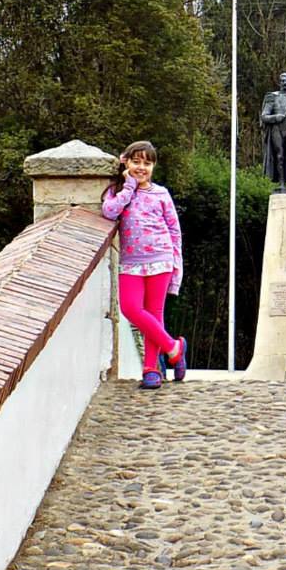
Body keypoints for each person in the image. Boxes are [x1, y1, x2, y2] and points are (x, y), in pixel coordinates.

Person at [102, 141, 187, 390]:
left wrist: (176, 266)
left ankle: (152, 368)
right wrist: (128, 187)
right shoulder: (117, 191)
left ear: (154, 166)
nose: (142, 167)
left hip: (161, 259)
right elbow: (109, 212)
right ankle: (174, 348)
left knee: (155, 312)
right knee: (131, 308)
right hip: (131, 262)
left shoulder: (161, 194)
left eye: (147, 163)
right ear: (125, 162)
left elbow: (174, 230)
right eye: (136, 162)